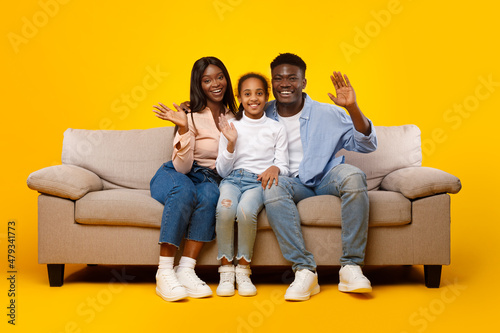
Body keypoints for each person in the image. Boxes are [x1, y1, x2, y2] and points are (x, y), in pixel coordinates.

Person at [263, 53, 378, 301]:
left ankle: (350, 267)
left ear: (304, 82)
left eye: (292, 78)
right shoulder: (262, 112)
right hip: (290, 182)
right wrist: (192, 109)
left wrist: (352, 108)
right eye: (278, 79)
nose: (285, 84)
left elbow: (367, 145)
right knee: (271, 188)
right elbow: (229, 121)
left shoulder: (327, 113)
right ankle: (305, 271)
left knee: (354, 176)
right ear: (272, 83)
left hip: (325, 175)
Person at [150, 56, 238, 302]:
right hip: (176, 174)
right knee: (184, 190)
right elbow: (182, 167)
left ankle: (186, 269)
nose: (215, 84)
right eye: (207, 80)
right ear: (199, 85)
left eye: (220, 77)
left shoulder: (236, 118)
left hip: (210, 178)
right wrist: (183, 129)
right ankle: (164, 272)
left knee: (211, 195)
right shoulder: (188, 114)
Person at [215, 73, 289, 297]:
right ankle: (226, 271)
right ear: (239, 97)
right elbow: (221, 170)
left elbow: (283, 166)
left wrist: (275, 168)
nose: (253, 98)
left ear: (267, 97)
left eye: (259, 93)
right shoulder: (231, 126)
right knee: (225, 210)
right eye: (247, 94)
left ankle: (244, 270)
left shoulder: (276, 128)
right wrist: (230, 142)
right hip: (232, 179)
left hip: (258, 182)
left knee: (246, 212)